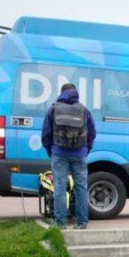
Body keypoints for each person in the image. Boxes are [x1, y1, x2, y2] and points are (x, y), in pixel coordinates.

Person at [41, 83, 96, 230]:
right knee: (81, 188)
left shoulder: (53, 109)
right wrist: (85, 150)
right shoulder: (84, 111)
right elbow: (92, 133)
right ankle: (82, 223)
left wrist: (51, 150)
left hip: (59, 153)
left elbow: (46, 134)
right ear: (75, 93)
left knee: (59, 187)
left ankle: (61, 223)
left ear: (62, 93)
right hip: (80, 154)